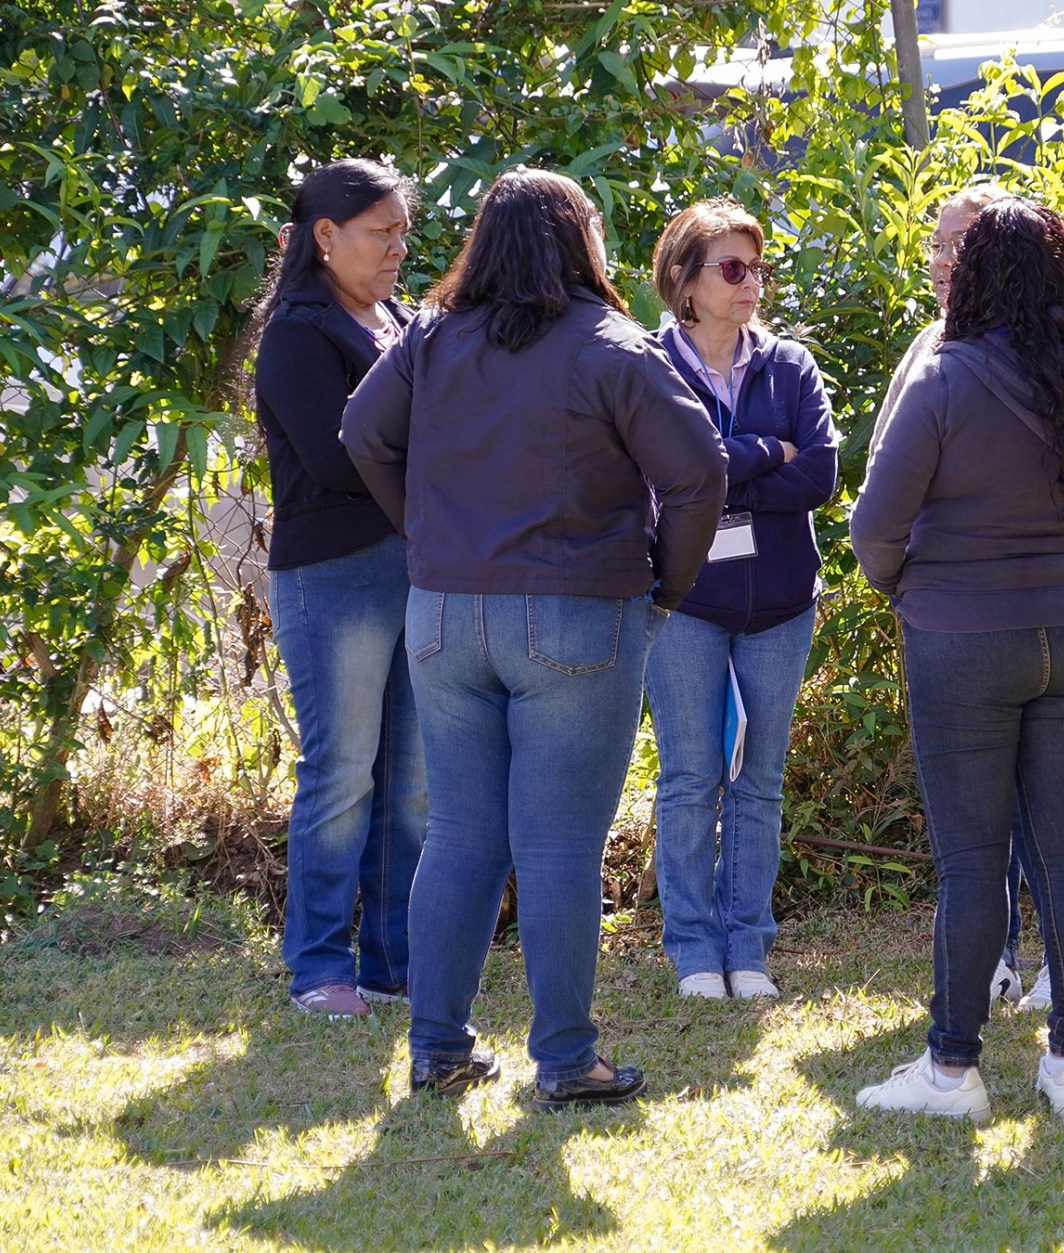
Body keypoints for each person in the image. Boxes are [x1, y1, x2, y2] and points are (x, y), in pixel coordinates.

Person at [342, 169, 727, 1109]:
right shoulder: (610, 344)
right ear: (579, 241)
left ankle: (437, 1047)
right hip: (576, 611)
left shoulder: (431, 335)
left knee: (460, 834)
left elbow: (362, 433)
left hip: (445, 612)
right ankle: (565, 1058)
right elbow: (699, 472)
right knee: (558, 845)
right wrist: (665, 586)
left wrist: (427, 537)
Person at [849, 198, 1064, 1120]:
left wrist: (915, 589)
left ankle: (953, 1070)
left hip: (963, 637)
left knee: (970, 861)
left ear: (975, 279)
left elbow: (874, 527)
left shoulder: (943, 378)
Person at [643, 199, 839, 1001]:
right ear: (684, 280)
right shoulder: (649, 365)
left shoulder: (790, 365)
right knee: (691, 778)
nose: (751, 282)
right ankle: (694, 950)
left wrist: (718, 473)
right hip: (684, 602)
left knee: (759, 779)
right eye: (732, 268)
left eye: (757, 268)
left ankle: (747, 946)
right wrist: (762, 451)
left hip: (781, 604)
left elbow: (820, 473)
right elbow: (657, 476)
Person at [251, 158, 425, 1021]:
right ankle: (319, 966)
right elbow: (333, 455)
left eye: (403, 232)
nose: (399, 248)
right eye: (381, 232)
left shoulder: (402, 320)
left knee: (412, 780)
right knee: (343, 775)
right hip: (335, 578)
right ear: (325, 236)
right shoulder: (297, 331)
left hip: (417, 570)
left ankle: (394, 964)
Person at [881, 182, 1044, 1012]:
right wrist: (904, 578)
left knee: (1044, 805)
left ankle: (1059, 976)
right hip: (947, 607)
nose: (945, 263)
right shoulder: (929, 345)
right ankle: (995, 961)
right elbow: (883, 470)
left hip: (1027, 613)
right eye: (937, 246)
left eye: (962, 246)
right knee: (977, 812)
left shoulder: (1057, 349)